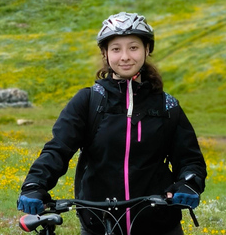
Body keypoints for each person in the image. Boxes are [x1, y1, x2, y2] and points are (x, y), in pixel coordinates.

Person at [17, 12, 207, 235]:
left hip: (159, 224)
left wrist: (188, 183)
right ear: (105, 54)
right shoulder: (88, 101)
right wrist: (34, 185)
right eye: (116, 49)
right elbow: (57, 149)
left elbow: (190, 160)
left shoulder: (166, 106)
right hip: (99, 222)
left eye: (133, 48)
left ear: (147, 50)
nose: (125, 56)